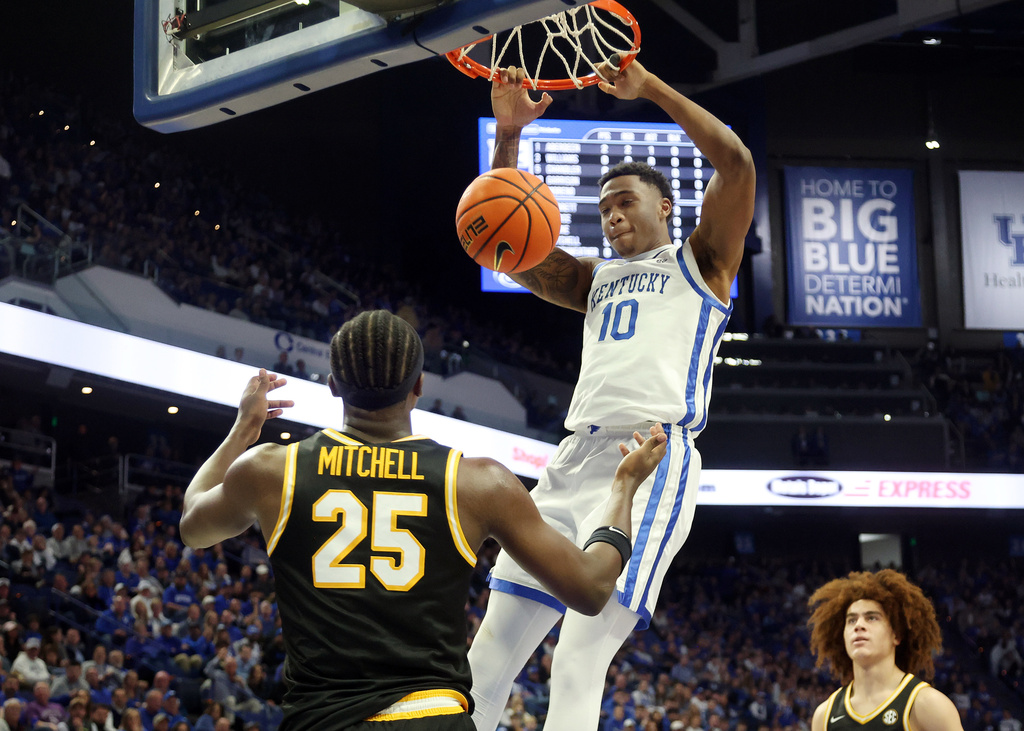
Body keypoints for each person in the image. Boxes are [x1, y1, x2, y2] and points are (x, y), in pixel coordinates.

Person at [178, 310, 668, 731]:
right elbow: (591, 586)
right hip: (431, 715)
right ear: (418, 385)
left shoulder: (270, 470)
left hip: (319, 717)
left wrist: (244, 428)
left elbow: (193, 524)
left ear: (332, 386)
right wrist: (624, 486)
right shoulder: (476, 483)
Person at [466, 57, 755, 731]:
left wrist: (650, 87)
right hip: (572, 461)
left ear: (665, 205)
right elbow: (499, 242)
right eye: (603, 208)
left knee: (576, 659)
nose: (612, 214)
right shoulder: (591, 278)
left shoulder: (703, 261)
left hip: (649, 456)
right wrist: (508, 135)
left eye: (625, 201)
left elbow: (736, 162)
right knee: (485, 657)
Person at [806, 569, 963, 731]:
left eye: (871, 618)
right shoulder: (824, 716)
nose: (859, 625)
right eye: (851, 620)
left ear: (896, 635)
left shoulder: (926, 704)